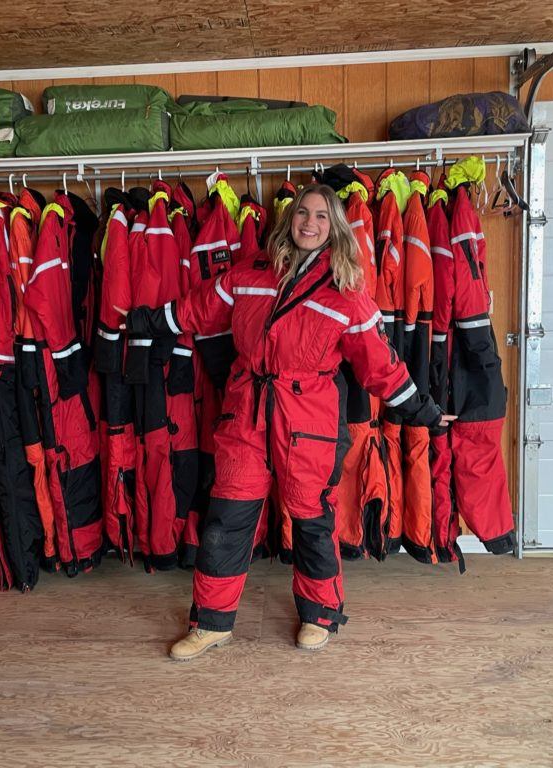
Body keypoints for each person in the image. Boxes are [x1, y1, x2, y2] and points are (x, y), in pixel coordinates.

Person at [126, 184, 455, 661]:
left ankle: (321, 613)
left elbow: (379, 366)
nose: (310, 223)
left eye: (322, 216)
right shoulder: (250, 275)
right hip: (246, 413)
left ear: (335, 228)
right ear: (290, 219)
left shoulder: (347, 294)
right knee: (226, 520)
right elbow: (196, 309)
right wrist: (145, 322)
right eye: (303, 213)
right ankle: (211, 623)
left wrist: (423, 411)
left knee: (311, 520)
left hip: (309, 419)